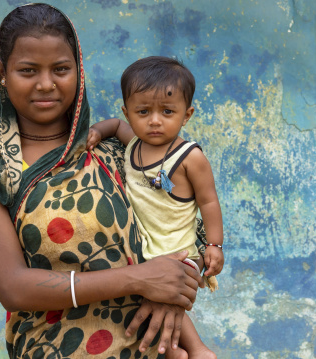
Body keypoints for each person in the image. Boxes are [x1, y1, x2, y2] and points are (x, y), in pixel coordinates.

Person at [0, 4, 205, 358]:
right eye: (28, 70)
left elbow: (187, 225)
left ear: (79, 69)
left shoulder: (116, 152)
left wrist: (175, 294)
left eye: (60, 69)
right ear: (2, 71)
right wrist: (140, 279)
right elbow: (14, 287)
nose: (46, 84)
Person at [86, 56, 224, 358]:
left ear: (186, 115)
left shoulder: (190, 157)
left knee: (170, 296)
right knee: (144, 295)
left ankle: (198, 350)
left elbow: (209, 201)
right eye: (143, 111)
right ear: (128, 111)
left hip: (179, 248)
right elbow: (116, 126)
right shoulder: (133, 144)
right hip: (145, 246)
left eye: (167, 111)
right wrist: (98, 130)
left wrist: (214, 244)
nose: (155, 120)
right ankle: (175, 351)